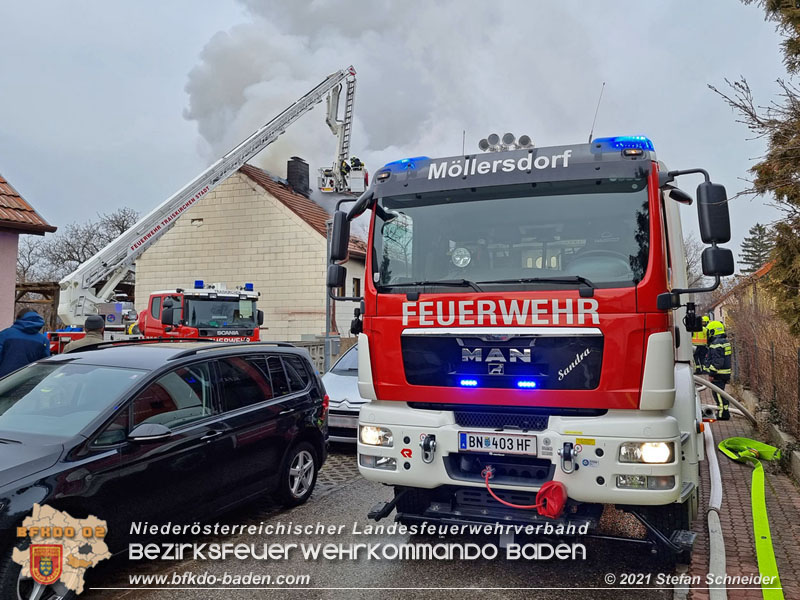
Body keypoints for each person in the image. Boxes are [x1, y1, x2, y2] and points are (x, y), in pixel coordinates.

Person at [0, 309, 51, 377]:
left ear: (18, 319)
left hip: (5, 382)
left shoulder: (5, 334)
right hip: (28, 382)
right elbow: (44, 367)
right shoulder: (43, 340)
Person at [703, 320, 732, 420]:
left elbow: (718, 361)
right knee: (721, 393)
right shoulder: (724, 341)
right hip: (724, 372)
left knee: (718, 393)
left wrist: (711, 373)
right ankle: (724, 411)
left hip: (719, 374)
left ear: (712, 332)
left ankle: (722, 414)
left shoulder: (716, 344)